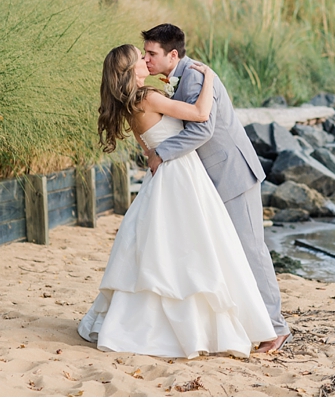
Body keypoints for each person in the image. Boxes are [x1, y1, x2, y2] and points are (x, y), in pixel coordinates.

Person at [78, 44, 276, 358]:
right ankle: (196, 328)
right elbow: (200, 114)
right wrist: (209, 77)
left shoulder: (129, 105)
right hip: (182, 174)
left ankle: (155, 324)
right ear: (131, 70)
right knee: (195, 249)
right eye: (139, 58)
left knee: (164, 250)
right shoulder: (149, 97)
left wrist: (160, 152)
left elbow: (148, 150)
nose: (145, 60)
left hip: (162, 176)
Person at [141, 24, 290, 353]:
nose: (147, 59)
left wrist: (160, 153)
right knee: (229, 253)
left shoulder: (194, 76)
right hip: (212, 178)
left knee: (252, 250)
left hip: (233, 174)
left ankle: (277, 328)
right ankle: (249, 322)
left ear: (173, 55)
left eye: (152, 54)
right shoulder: (184, 77)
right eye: (146, 53)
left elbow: (203, 130)